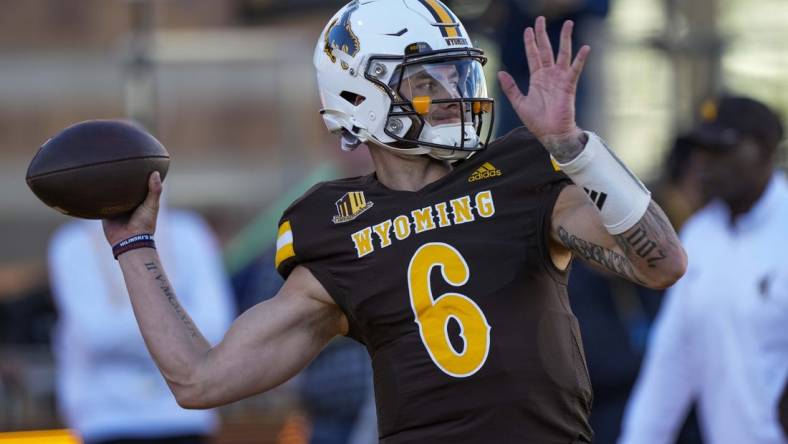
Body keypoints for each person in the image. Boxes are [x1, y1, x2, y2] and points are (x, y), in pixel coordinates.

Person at [99, 1, 686, 442]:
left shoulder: (523, 171)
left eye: (458, 76)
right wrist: (136, 245)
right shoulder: (333, 226)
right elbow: (201, 381)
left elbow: (661, 266)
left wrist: (575, 147)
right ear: (358, 96)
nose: (454, 96)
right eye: (427, 81)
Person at [619, 96, 788, 444]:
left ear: (764, 150)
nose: (704, 165)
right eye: (700, 152)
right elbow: (672, 358)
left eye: (720, 150)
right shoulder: (699, 235)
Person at [48, 206, 235, 444]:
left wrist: (123, 327)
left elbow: (214, 328)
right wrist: (179, 337)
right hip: (106, 422)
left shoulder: (189, 232)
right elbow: (95, 334)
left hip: (186, 420)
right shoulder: (71, 243)